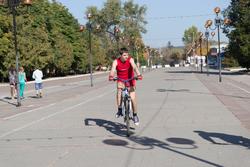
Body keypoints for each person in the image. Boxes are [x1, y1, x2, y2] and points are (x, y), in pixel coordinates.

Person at [109, 47, 142, 125]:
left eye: (127, 55)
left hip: (130, 80)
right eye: (124, 55)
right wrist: (111, 76)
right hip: (121, 80)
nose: (126, 57)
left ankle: (135, 115)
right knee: (119, 92)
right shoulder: (116, 62)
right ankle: (119, 109)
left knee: (133, 98)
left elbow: (134, 67)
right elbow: (113, 69)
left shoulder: (130, 60)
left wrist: (139, 74)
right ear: (120, 55)